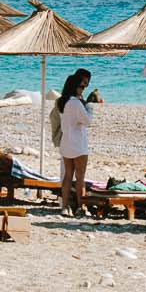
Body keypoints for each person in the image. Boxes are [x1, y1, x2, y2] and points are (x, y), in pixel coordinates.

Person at [57, 68, 93, 213]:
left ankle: (65, 206)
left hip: (66, 142)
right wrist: (89, 107)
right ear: (75, 86)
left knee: (67, 176)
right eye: (82, 86)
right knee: (80, 178)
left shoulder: (62, 102)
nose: (83, 89)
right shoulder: (76, 103)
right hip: (78, 144)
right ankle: (80, 206)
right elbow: (87, 121)